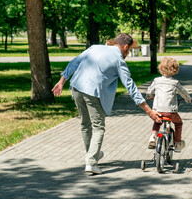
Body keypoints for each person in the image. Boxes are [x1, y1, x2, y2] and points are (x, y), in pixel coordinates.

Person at [52, 33, 161, 175]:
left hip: (76, 87)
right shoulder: (118, 60)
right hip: (92, 92)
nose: (127, 54)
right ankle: (91, 163)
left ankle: (92, 155)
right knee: (98, 128)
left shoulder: (94, 48)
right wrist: (149, 111)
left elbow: (74, 62)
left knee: (85, 124)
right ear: (126, 47)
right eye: (128, 51)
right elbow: (131, 87)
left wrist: (61, 81)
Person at [146, 57, 192, 152]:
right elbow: (183, 92)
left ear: (160, 68)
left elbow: (149, 91)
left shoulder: (156, 81)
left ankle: (152, 137)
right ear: (175, 70)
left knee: (157, 121)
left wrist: (150, 96)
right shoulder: (175, 83)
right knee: (178, 123)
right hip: (170, 112)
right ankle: (177, 143)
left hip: (157, 110)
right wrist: (189, 99)